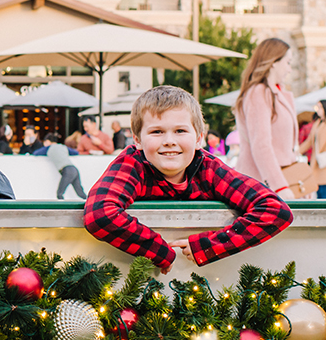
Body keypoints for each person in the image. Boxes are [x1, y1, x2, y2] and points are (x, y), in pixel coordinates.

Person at [84, 86, 293, 273]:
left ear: (199, 138)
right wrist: (160, 252)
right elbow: (99, 214)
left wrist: (208, 246)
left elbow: (274, 210)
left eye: (180, 131)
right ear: (137, 140)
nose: (169, 141)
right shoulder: (133, 165)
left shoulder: (209, 169)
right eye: (157, 132)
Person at [234, 38, 297, 201]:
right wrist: (280, 186)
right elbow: (261, 145)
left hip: (270, 184)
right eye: (287, 62)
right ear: (274, 62)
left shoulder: (273, 92)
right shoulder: (259, 92)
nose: (289, 69)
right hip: (261, 186)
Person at [43, 132, 86, 199]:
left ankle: (62, 208)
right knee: (80, 192)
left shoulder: (48, 148)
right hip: (74, 169)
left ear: (47, 142)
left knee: (59, 193)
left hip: (67, 170)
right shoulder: (63, 146)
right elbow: (75, 152)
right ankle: (90, 202)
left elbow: (35, 153)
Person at [299, 100, 326, 199]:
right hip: (317, 162)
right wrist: (297, 152)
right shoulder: (318, 123)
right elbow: (310, 141)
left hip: (323, 162)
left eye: (320, 107)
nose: (317, 110)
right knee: (318, 190)